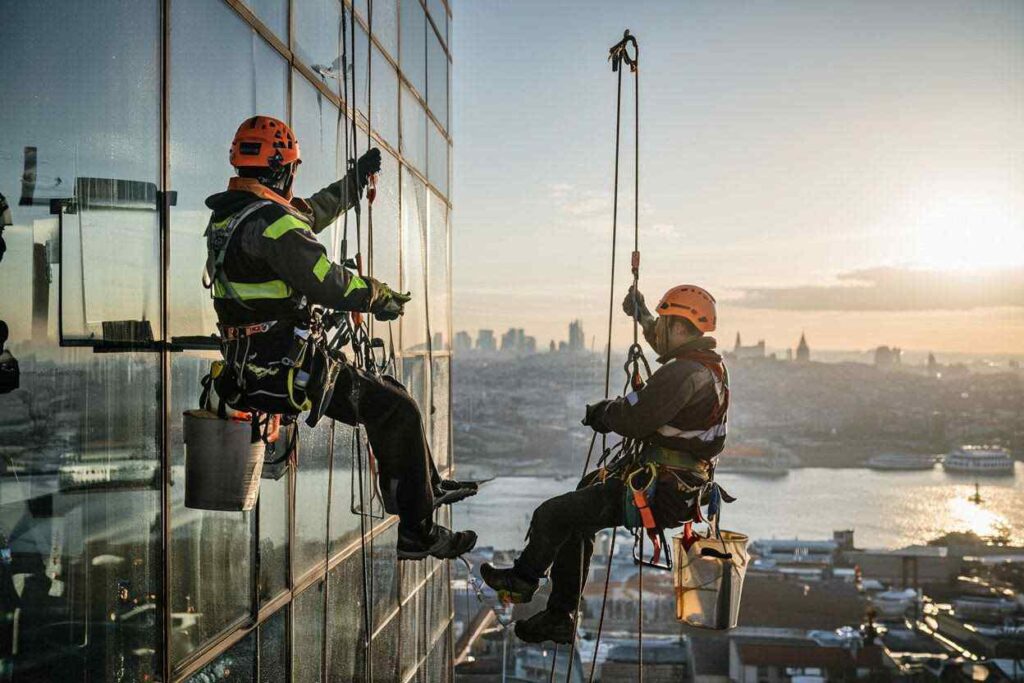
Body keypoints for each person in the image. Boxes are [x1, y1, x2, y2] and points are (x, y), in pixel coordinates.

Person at [204, 115, 477, 560]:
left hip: (260, 363)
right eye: (292, 170)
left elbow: (308, 213)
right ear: (282, 170)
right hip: (282, 368)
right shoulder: (271, 224)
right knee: (398, 410)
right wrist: (377, 294)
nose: (294, 180)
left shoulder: (238, 218)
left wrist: (354, 184)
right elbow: (325, 280)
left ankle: (424, 488)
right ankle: (417, 531)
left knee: (393, 396)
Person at [479, 284, 730, 643]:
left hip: (663, 490)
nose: (658, 330)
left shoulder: (684, 372)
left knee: (553, 515)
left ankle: (522, 581)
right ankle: (559, 615)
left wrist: (603, 413)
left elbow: (635, 419)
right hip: (675, 485)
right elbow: (663, 346)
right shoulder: (707, 366)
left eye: (663, 322)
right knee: (579, 512)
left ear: (678, 327)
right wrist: (641, 313)